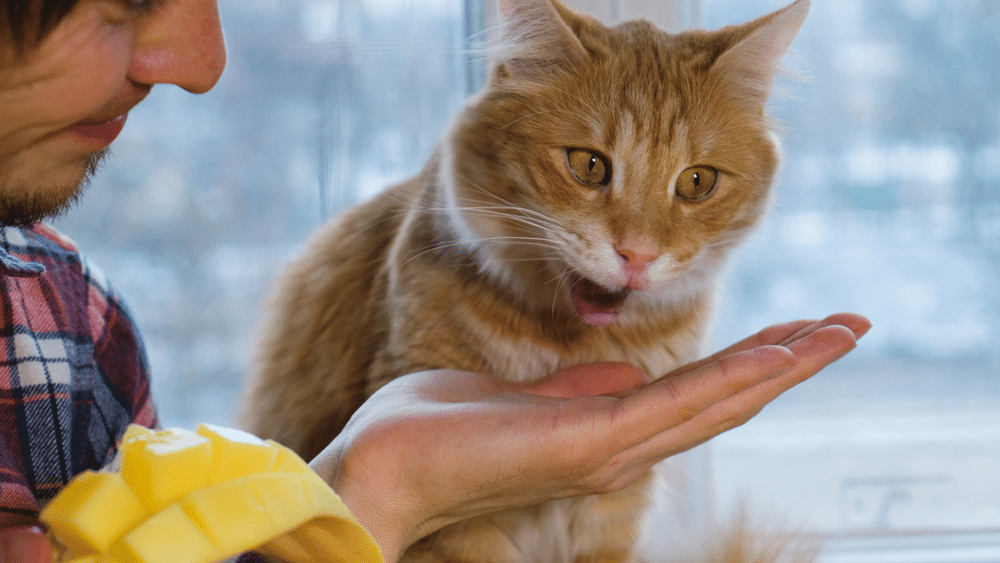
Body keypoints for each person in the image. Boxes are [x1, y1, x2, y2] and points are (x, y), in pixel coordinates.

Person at [0, 0, 870, 562]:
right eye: (125, 1)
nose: (202, 63)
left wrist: (372, 489)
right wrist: (392, 495)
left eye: (693, 186)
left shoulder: (78, 326)